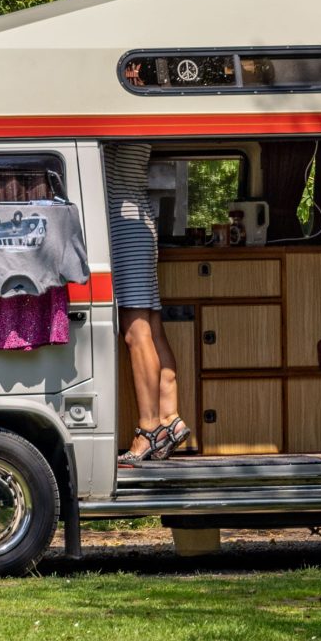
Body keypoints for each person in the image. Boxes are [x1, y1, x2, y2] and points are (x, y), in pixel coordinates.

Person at [107, 141, 187, 460]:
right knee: (152, 329)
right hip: (137, 224)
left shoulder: (117, 110)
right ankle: (170, 418)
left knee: (135, 333)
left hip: (123, 225)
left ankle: (149, 429)